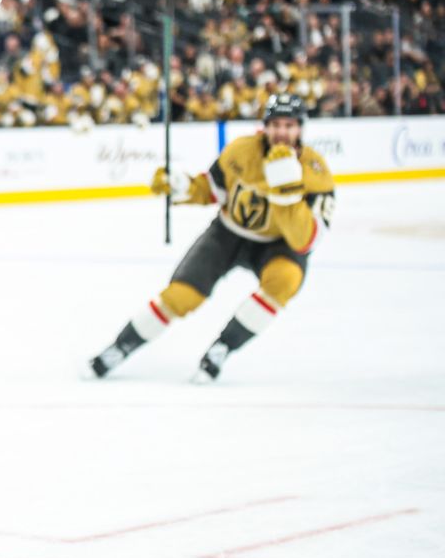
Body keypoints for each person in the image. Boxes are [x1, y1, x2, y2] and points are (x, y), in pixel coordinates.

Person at [88, 93, 336, 382]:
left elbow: (307, 240)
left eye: (289, 125)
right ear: (265, 126)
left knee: (285, 281)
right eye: (276, 124)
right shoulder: (241, 151)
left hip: (279, 244)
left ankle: (222, 348)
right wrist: (181, 186)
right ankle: (120, 347)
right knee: (181, 296)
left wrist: (288, 193)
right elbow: (212, 189)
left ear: (300, 128)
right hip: (228, 233)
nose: (282, 132)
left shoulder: (316, 172)